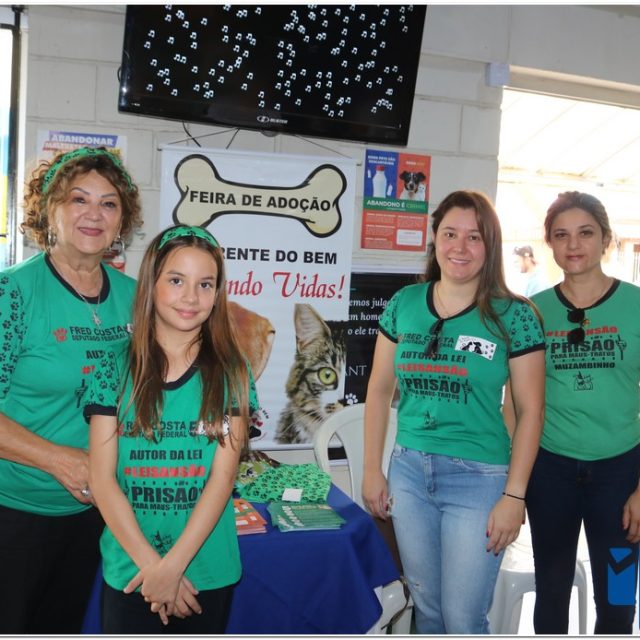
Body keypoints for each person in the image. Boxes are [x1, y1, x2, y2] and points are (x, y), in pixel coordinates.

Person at [362, 190, 545, 634]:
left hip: (479, 479)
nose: (460, 247)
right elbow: (379, 390)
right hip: (409, 472)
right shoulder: (404, 303)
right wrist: (371, 470)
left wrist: (514, 496)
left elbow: (531, 411)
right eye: (450, 234)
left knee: (463, 620)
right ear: (435, 239)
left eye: (474, 237)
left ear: (490, 245)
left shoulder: (515, 316)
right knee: (428, 612)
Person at [85, 225, 257, 633]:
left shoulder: (232, 371)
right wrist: (155, 570)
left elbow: (222, 478)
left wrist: (174, 567)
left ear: (217, 293)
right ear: (152, 284)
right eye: (177, 280)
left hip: (206, 571)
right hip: (133, 570)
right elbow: (102, 479)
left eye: (205, 284)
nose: (191, 297)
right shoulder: (112, 367)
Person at [0, 146, 142, 633]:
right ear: (48, 211)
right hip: (15, 509)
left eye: (108, 203)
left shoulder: (137, 298)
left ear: (122, 220)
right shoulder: (12, 293)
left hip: (98, 512)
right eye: (78, 199)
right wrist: (59, 460)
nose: (94, 214)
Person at [524, 191, 640, 634]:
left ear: (606, 240)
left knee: (619, 599)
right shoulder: (533, 311)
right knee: (551, 592)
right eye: (561, 235)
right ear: (550, 244)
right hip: (550, 472)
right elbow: (518, 401)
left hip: (621, 474)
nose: (573, 245)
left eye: (586, 233)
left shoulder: (635, 305)